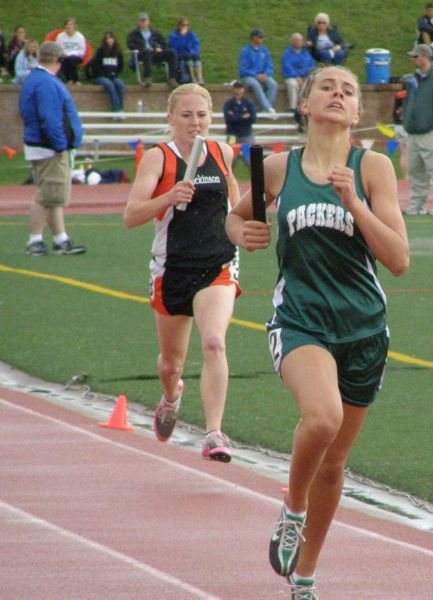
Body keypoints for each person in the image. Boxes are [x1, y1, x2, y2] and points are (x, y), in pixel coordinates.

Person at [225, 64, 409, 600]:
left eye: (348, 90)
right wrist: (245, 231)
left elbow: (398, 259)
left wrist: (355, 204)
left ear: (357, 113)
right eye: (326, 86)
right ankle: (292, 508)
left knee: (335, 463)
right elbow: (233, 220)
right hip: (301, 320)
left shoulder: (372, 167)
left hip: (364, 330)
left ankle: (304, 578)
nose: (337, 94)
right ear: (305, 104)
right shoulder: (278, 168)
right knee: (322, 416)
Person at [123, 84, 241, 461]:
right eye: (187, 115)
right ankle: (172, 397)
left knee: (213, 343)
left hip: (217, 264)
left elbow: (235, 202)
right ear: (171, 118)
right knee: (172, 363)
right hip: (172, 268)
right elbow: (131, 216)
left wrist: (249, 224)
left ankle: (214, 433)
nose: (195, 123)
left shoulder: (221, 152)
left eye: (202, 115)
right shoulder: (159, 158)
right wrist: (169, 196)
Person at [19, 41, 86, 257]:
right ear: (58, 60)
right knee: (47, 194)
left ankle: (60, 239)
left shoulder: (36, 79)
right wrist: (59, 144)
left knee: (54, 194)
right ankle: (35, 240)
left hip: (43, 145)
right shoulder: (46, 82)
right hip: (48, 148)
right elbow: (50, 117)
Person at [402, 44, 433, 216]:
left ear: (425, 57)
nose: (412, 59)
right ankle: (417, 204)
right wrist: (406, 119)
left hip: (431, 131)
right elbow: (408, 101)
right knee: (416, 170)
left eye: (415, 57)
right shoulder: (413, 79)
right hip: (413, 131)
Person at [127, 13, 179, 89]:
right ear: (138, 22)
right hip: (142, 54)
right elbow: (131, 45)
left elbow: (163, 43)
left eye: (145, 20)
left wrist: (159, 48)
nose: (143, 22)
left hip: (155, 54)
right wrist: (143, 48)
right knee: (147, 52)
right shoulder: (133, 34)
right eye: (141, 20)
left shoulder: (155, 32)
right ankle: (148, 77)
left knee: (171, 53)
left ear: (148, 21)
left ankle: (172, 78)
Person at [239, 29, 278, 114]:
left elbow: (270, 65)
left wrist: (266, 74)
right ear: (254, 38)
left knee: (273, 84)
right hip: (249, 76)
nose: (262, 39)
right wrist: (255, 75)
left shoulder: (265, 50)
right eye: (260, 37)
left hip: (263, 75)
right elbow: (243, 69)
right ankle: (268, 108)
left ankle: (266, 108)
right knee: (255, 85)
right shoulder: (245, 51)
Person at [87, 31, 125, 114]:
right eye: (108, 38)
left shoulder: (118, 52)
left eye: (111, 38)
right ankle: (116, 110)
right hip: (101, 77)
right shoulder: (101, 51)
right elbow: (95, 66)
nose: (110, 40)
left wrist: (115, 74)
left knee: (121, 84)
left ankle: (121, 108)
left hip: (113, 76)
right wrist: (104, 74)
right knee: (109, 85)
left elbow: (120, 66)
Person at [281, 33, 316, 122]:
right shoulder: (287, 53)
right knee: (292, 84)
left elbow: (311, 65)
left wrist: (307, 76)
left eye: (300, 40)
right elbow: (287, 66)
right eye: (296, 40)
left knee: (311, 85)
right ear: (292, 42)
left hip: (304, 77)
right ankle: (293, 108)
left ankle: (309, 107)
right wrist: (296, 76)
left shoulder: (306, 53)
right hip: (291, 76)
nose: (299, 42)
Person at [223, 81, 257, 167]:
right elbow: (228, 119)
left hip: (246, 134)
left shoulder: (249, 103)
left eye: (240, 88)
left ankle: (254, 180)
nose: (238, 90)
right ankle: (229, 180)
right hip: (232, 135)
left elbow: (252, 119)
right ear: (233, 89)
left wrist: (235, 116)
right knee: (230, 161)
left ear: (243, 90)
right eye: (236, 88)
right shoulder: (228, 103)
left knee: (250, 161)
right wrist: (243, 116)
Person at [168, 17, 204, 85]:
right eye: (183, 25)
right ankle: (192, 78)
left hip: (190, 53)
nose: (185, 27)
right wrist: (182, 37)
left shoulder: (192, 35)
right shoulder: (174, 36)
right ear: (179, 26)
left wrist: (192, 51)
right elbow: (176, 47)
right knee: (188, 56)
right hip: (180, 54)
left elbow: (196, 45)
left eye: (187, 25)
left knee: (196, 57)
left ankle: (200, 78)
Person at [55, 18, 86, 84]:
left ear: (74, 26)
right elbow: (57, 49)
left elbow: (82, 51)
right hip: (63, 55)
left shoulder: (80, 36)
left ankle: (74, 79)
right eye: (67, 24)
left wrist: (70, 54)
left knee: (71, 60)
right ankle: (70, 79)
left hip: (76, 56)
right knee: (63, 60)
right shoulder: (60, 36)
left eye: (71, 24)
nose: (68, 26)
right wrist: (63, 54)